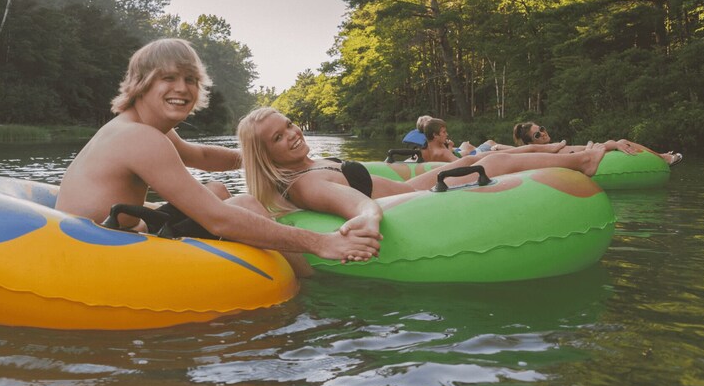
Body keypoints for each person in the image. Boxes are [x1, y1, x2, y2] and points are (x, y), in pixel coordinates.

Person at [55, 39, 380, 274]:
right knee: (245, 204)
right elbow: (218, 219)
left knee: (217, 189)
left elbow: (202, 155)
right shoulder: (139, 138)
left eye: (190, 79)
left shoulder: (142, 127)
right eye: (168, 78)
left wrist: (261, 156)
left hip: (116, 228)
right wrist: (321, 243)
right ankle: (309, 293)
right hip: (93, 250)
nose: (182, 88)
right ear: (142, 84)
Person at [236, 107, 609, 239]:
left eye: (289, 125)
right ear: (265, 153)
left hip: (406, 186)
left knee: (485, 156)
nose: (292, 134)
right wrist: (368, 217)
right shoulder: (307, 183)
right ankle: (581, 161)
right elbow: (355, 204)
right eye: (278, 137)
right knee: (490, 162)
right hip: (411, 200)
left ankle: (563, 151)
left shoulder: (307, 164)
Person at [512, 121, 683, 166]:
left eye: (541, 129)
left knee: (620, 142)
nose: (543, 133)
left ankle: (661, 157)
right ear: (530, 142)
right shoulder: (544, 153)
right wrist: (610, 145)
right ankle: (663, 158)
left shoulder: (553, 146)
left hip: (593, 151)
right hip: (592, 156)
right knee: (622, 142)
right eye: (537, 134)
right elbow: (581, 156)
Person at [419, 116, 555, 162]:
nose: (447, 134)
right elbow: (461, 163)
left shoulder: (431, 148)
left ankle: (498, 148)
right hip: (478, 158)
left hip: (475, 155)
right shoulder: (441, 151)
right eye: (443, 132)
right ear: (435, 135)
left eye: (542, 129)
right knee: (496, 148)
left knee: (493, 146)